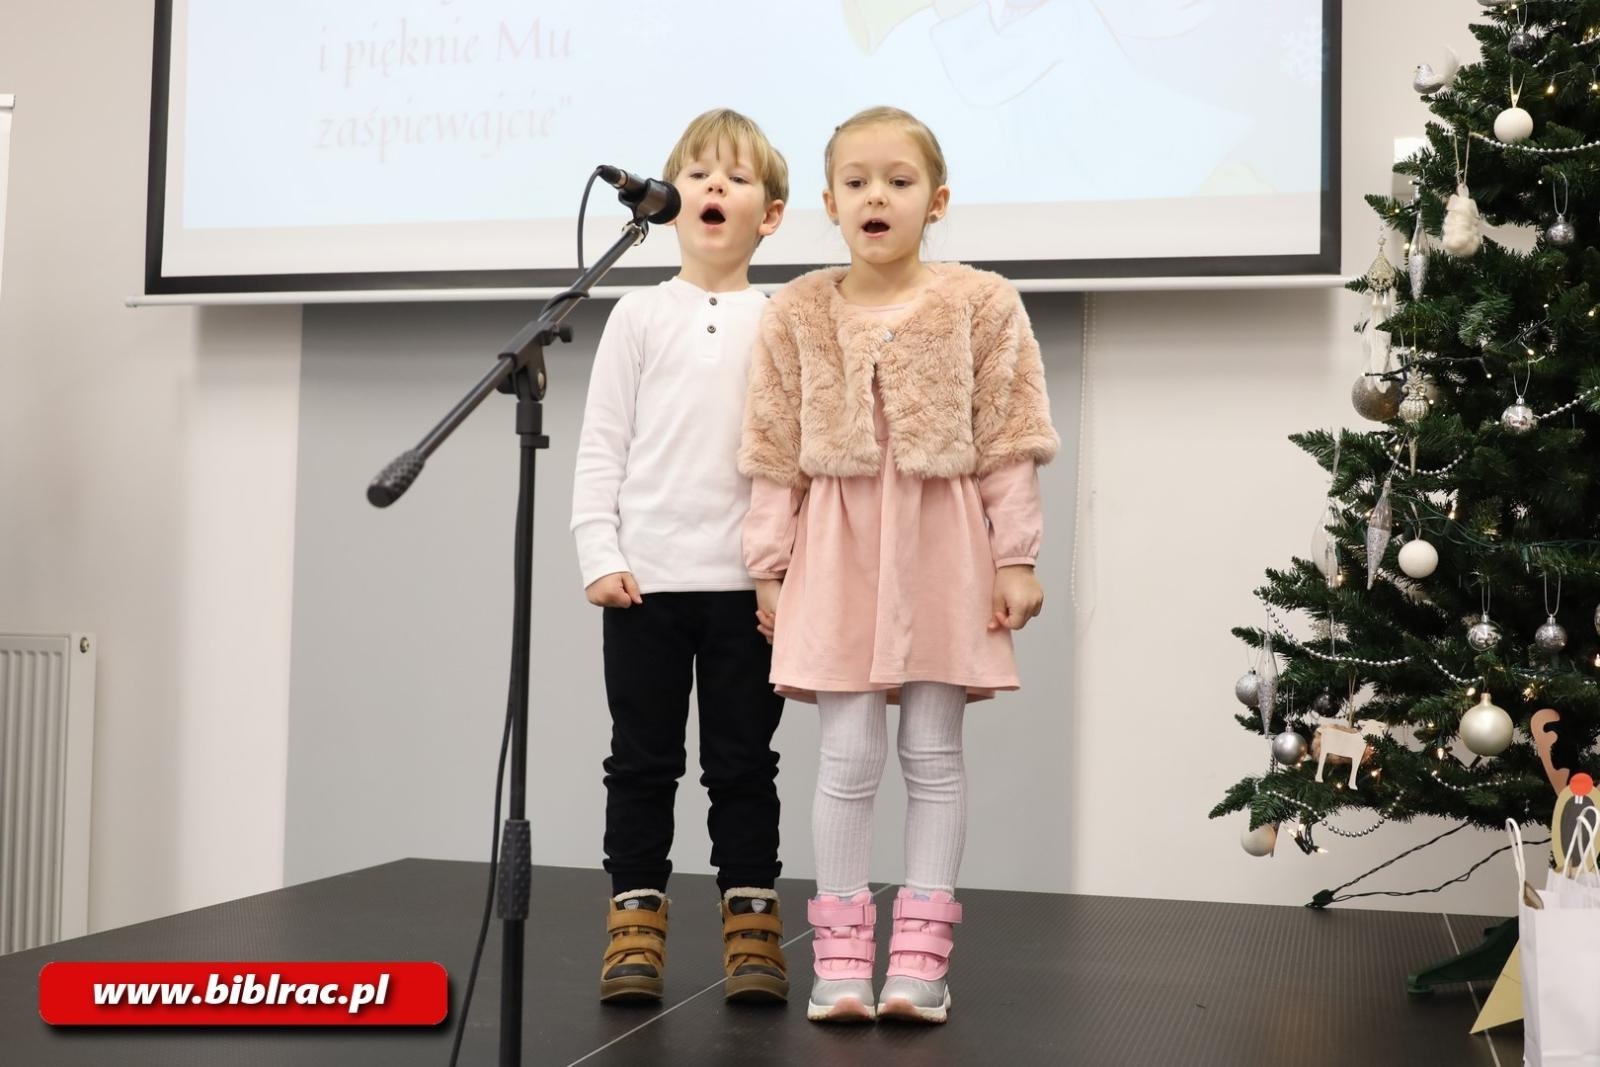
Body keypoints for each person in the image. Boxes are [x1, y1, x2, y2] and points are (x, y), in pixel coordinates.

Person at [739, 106, 1058, 1023]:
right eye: (856, 181)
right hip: (834, 551)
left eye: (899, 180)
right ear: (830, 203)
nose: (877, 195)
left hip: (943, 548)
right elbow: (771, 451)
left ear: (937, 200)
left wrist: (1017, 557)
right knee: (845, 754)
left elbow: (1009, 440)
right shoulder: (795, 311)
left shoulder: (982, 303)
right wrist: (769, 566)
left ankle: (919, 961)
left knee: (932, 751)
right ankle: (840, 960)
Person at [571, 108, 791, 1004]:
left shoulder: (783, 321)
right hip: (647, 583)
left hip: (748, 585)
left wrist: (790, 570)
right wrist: (599, 548)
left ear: (769, 215)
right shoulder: (635, 313)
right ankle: (634, 927)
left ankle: (751, 930)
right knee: (642, 758)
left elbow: (794, 460)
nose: (711, 187)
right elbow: (601, 446)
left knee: (744, 761)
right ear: (669, 202)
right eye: (697, 173)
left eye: (735, 178)